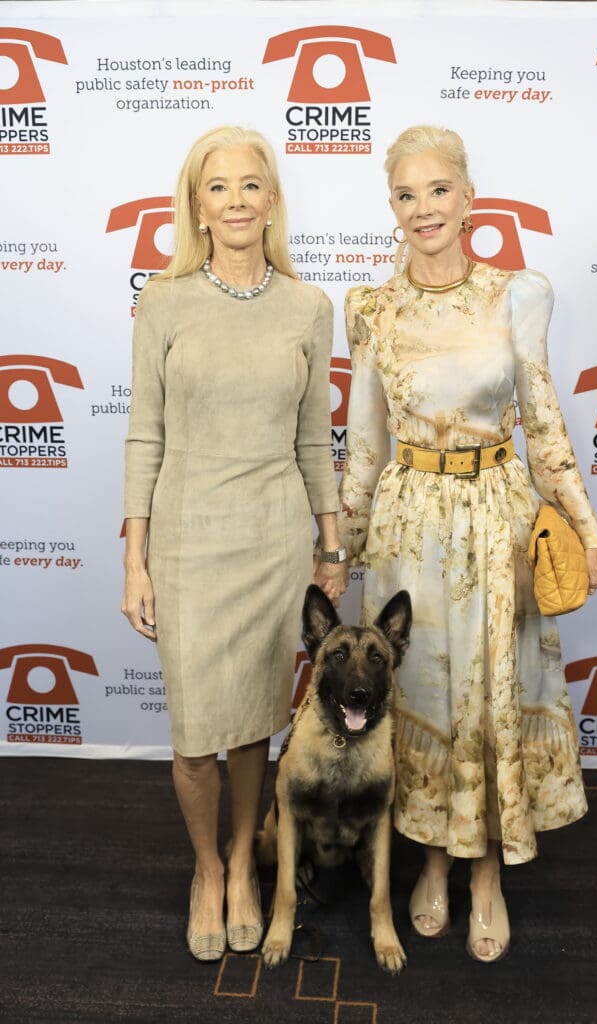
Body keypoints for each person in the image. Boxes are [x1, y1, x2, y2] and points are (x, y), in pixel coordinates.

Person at [337, 125, 597, 962]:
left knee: (491, 696)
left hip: (496, 520)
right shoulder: (372, 308)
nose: (423, 208)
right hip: (408, 528)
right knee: (419, 690)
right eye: (406, 194)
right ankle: (431, 860)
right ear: (391, 208)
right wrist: (339, 550)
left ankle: (486, 872)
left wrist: (585, 523)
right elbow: (362, 443)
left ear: (468, 199)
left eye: (437, 190)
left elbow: (541, 420)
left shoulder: (516, 294)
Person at [121, 125, 347, 961]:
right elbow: (144, 435)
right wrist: (133, 559)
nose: (237, 200)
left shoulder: (307, 306)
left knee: (252, 725)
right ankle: (206, 869)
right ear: (197, 206)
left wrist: (330, 549)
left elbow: (314, 440)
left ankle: (247, 870)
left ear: (272, 200)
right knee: (192, 737)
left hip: (275, 542)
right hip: (185, 540)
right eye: (218, 187)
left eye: (252, 184)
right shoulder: (164, 300)